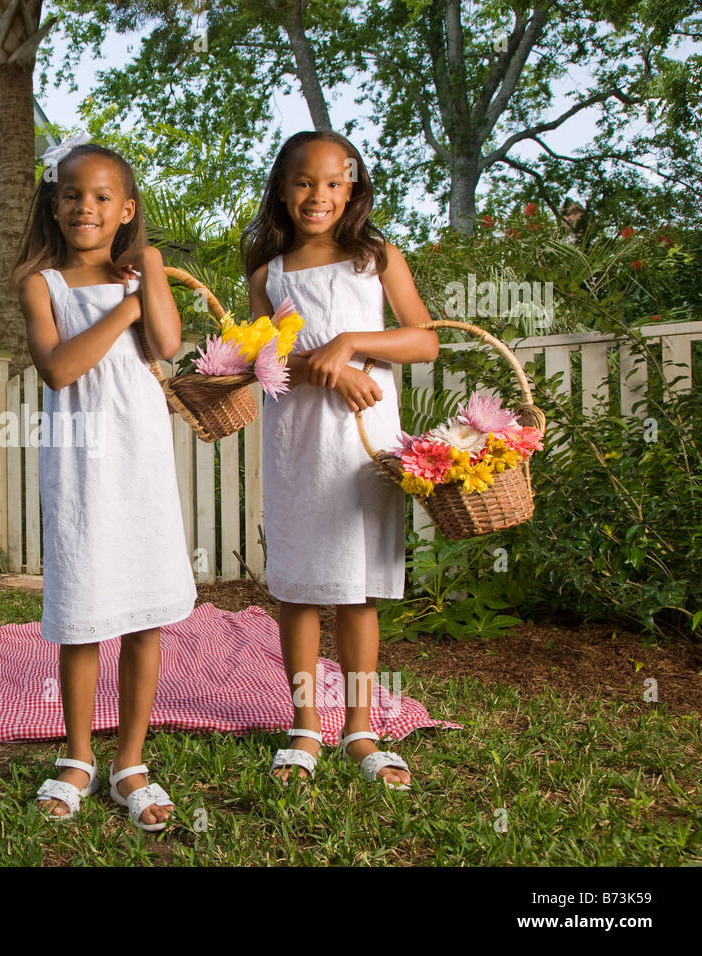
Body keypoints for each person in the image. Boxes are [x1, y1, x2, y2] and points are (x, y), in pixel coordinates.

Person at [242, 130, 440, 789]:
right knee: (298, 589)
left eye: (332, 182)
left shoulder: (375, 257)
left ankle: (360, 726)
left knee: (356, 593)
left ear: (353, 187)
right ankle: (304, 725)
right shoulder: (267, 274)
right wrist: (324, 369)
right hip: (299, 445)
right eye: (302, 182)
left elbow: (424, 341)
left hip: (361, 444)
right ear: (282, 188)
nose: (317, 195)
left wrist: (352, 343)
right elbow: (261, 364)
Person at [11, 140, 196, 830]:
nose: (83, 207)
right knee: (83, 613)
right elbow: (60, 369)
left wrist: (148, 270)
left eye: (99, 197)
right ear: (54, 206)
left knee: (144, 613)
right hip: (80, 464)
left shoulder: (140, 272)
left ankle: (131, 762)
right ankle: (79, 756)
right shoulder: (41, 281)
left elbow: (169, 345)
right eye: (71, 195)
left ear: (126, 210)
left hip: (139, 455)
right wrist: (124, 307)